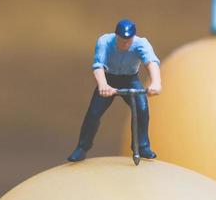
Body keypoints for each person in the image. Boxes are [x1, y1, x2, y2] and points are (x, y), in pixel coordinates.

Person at [66, 18, 162, 163]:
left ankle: (142, 146)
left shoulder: (141, 43)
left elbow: (151, 63)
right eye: (122, 40)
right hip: (108, 79)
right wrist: (103, 85)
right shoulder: (104, 42)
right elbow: (98, 66)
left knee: (142, 108)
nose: (125, 43)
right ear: (116, 35)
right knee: (94, 113)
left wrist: (156, 82)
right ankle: (82, 147)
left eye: (128, 40)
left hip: (130, 79)